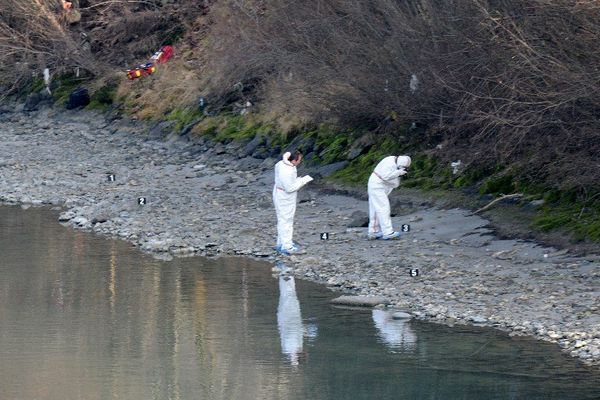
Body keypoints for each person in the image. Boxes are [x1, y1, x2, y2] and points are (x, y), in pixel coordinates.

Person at [273, 151, 313, 255]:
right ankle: (287, 246)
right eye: (299, 160)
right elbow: (289, 188)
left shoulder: (280, 164)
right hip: (285, 197)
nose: (300, 162)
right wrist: (303, 181)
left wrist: (296, 180)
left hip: (279, 192)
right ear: (294, 160)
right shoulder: (287, 171)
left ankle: (281, 243)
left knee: (282, 219)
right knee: (286, 220)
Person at [367, 155, 411, 240]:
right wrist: (399, 172)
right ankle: (388, 232)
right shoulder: (389, 163)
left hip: (377, 186)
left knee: (375, 209)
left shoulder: (392, 161)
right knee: (383, 208)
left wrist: (399, 172)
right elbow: (385, 176)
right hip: (377, 186)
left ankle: (373, 231)